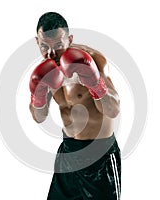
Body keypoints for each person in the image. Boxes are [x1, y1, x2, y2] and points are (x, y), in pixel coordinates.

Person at [29, 12, 121, 200]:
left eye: (58, 46)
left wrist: (95, 84)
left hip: (99, 156)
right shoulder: (44, 70)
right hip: (68, 153)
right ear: (37, 42)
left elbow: (113, 110)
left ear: (69, 40)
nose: (51, 53)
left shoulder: (92, 60)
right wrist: (37, 96)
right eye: (44, 46)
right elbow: (40, 117)